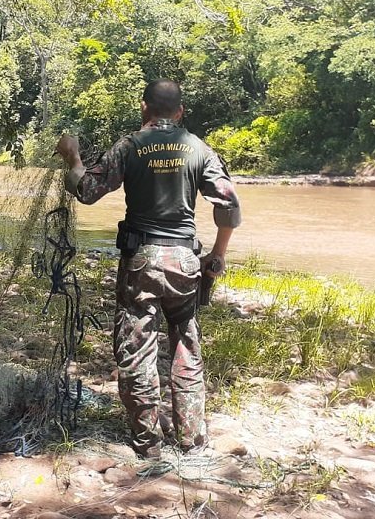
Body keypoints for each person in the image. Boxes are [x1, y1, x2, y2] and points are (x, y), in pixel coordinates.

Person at [55, 79, 241, 459]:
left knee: (137, 350)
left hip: (141, 261)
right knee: (186, 348)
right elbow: (229, 206)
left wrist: (72, 157)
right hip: (185, 261)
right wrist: (217, 255)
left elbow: (86, 190)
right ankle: (191, 442)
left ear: (144, 108)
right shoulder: (199, 148)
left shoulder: (130, 146)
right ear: (180, 112)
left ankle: (148, 445)